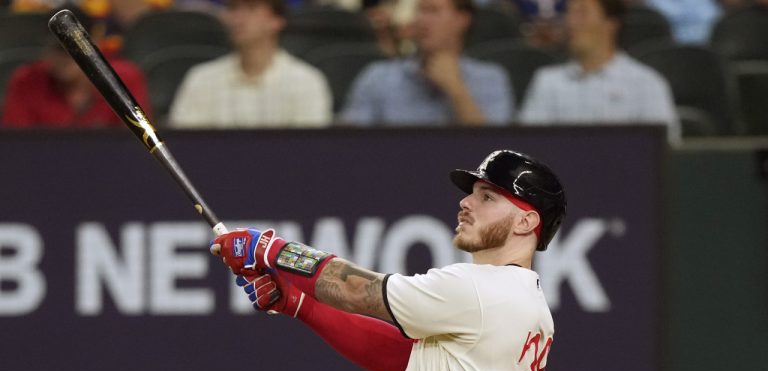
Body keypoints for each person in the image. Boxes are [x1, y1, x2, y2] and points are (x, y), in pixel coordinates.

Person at [210, 149, 566, 371]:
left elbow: (354, 289)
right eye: (471, 193)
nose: (466, 203)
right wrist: (298, 303)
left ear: (526, 221)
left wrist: (268, 249)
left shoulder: (482, 290)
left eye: (488, 197)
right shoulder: (523, 303)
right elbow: (398, 356)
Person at [519, 0, 680, 143]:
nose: (571, 22)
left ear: (611, 22)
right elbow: (530, 147)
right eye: (568, 13)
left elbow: (661, 152)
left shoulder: (646, 84)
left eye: (582, 13)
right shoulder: (547, 82)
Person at [338, 0, 513, 126]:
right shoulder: (377, 77)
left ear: (463, 19)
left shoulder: (491, 78)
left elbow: (492, 151)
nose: (422, 20)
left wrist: (456, 89)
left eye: (433, 11)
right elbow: (350, 145)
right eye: (420, 11)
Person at [167, 0, 332, 128]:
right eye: (233, 8)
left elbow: (310, 152)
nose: (238, 18)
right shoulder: (201, 79)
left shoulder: (307, 82)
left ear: (277, 20)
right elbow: (185, 148)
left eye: (251, 8)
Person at [1, 8, 151, 128]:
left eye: (73, 48)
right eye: (58, 49)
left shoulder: (124, 78)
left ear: (94, 46)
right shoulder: (27, 80)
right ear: (45, 50)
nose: (66, 57)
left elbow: (133, 143)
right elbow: (17, 146)